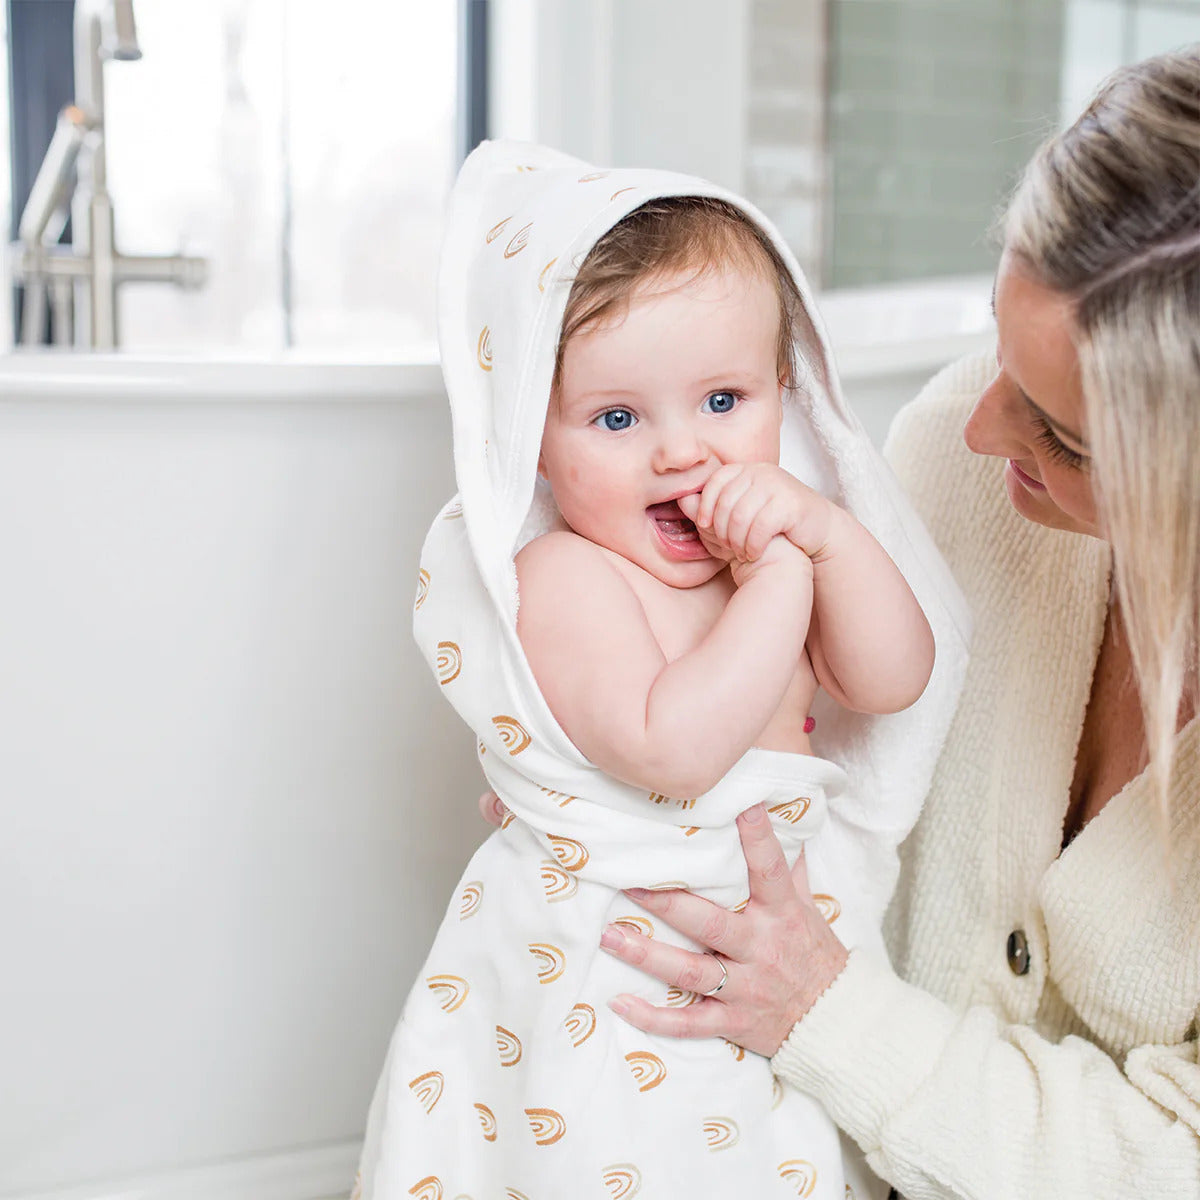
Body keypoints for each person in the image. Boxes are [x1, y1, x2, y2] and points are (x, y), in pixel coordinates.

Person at [591, 44, 1200, 1198]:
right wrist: (616, 766)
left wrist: (825, 1014)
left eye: (1063, 437)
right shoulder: (962, 466)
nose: (979, 431)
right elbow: (803, 735)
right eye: (998, 353)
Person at [353, 141, 971, 1200]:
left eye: (724, 401)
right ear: (535, 443)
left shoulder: (783, 553)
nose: (684, 453)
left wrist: (822, 534)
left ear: (785, 388)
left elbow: (895, 679)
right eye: (618, 418)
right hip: (615, 973)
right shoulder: (565, 577)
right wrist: (781, 578)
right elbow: (673, 751)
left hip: (768, 959)